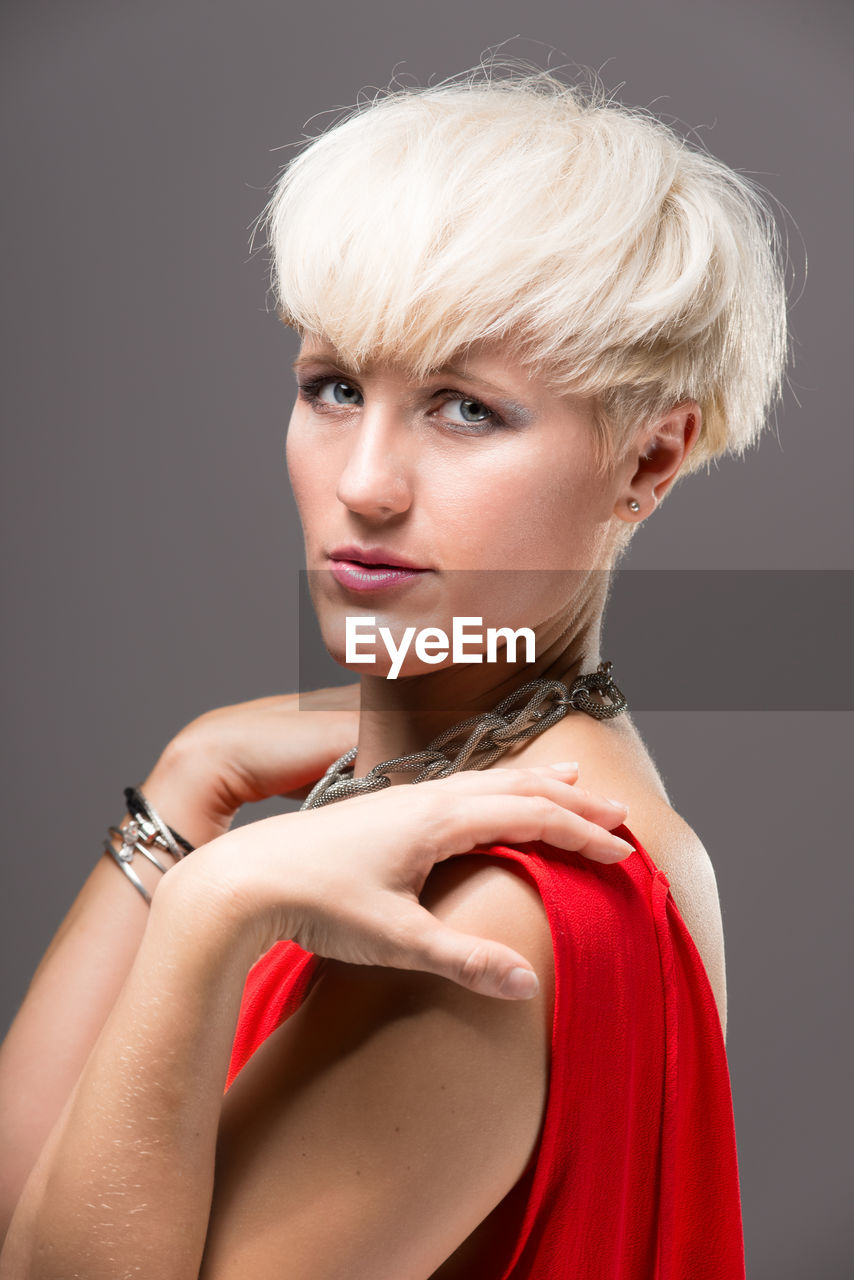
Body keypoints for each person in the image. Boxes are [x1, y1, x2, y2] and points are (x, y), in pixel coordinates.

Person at [0, 60, 787, 1278]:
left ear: (648, 458)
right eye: (332, 386)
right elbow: (27, 1203)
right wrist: (185, 788)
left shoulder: (497, 917)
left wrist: (210, 912)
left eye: (464, 408)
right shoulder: (408, 806)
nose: (363, 483)